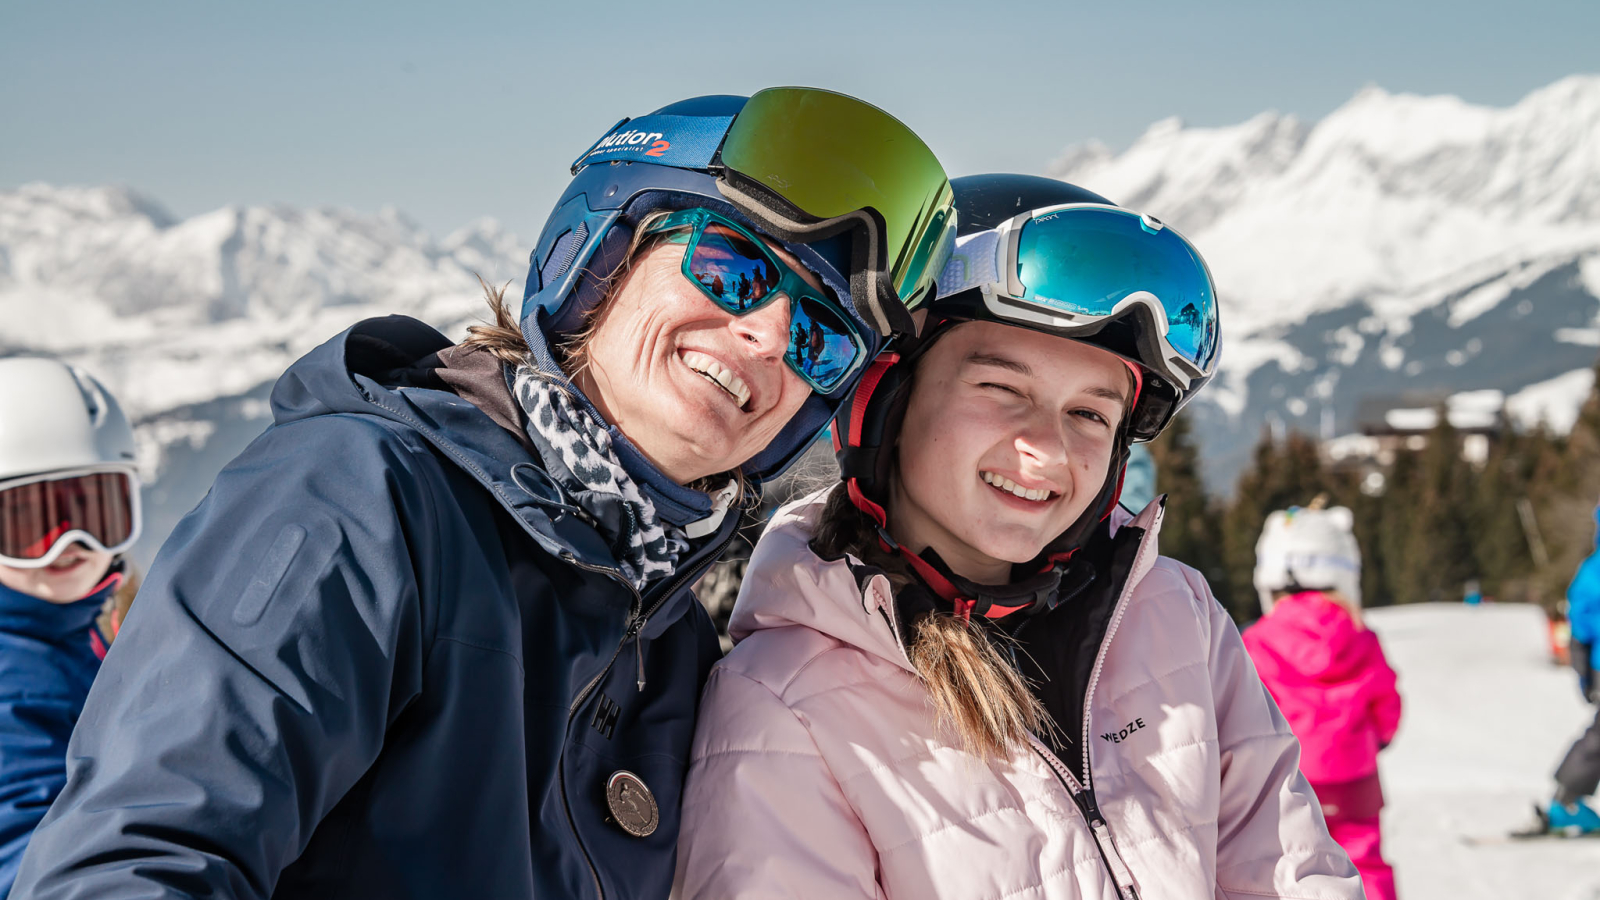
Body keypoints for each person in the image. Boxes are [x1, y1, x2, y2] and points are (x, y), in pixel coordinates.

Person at [10, 88, 955, 899]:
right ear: (600, 259)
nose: (766, 336)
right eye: (733, 269)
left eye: (819, 339)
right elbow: (136, 859)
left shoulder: (664, 627)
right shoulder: (364, 501)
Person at [675, 174, 1361, 899]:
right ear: (885, 399)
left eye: (1091, 415)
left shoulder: (1174, 616)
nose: (1049, 451)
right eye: (1002, 390)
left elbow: (1293, 875)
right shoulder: (781, 706)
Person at [0, 358, 142, 896]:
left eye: (96, 511)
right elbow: (22, 854)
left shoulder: (64, 633)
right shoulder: (13, 674)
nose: (72, 546)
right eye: (30, 522)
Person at [1245, 502, 1401, 900]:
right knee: (1365, 861)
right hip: (1355, 776)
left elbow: (1246, 711)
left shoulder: (1258, 640)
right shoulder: (1361, 635)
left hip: (1290, 778)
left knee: (1292, 866)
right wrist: (1376, 739)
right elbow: (1386, 704)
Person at [1532, 501, 1600, 835]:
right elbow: (1581, 629)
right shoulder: (1595, 572)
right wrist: (1586, 673)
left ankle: (1567, 799)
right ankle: (1566, 801)